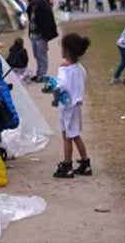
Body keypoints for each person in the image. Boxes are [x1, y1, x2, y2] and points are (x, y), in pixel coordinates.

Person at [52, 33, 93, 178]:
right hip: (77, 105)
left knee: (67, 136)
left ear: (67, 51)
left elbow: (60, 85)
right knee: (76, 135)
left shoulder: (64, 69)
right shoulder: (80, 68)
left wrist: (52, 86)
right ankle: (85, 163)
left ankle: (67, 165)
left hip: (67, 107)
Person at [25, 0, 58, 83]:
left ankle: (43, 74)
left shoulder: (44, 6)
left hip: (41, 35)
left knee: (42, 55)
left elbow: (48, 21)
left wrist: (45, 34)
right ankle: (38, 72)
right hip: (33, 35)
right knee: (36, 55)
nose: (29, 1)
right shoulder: (30, 7)